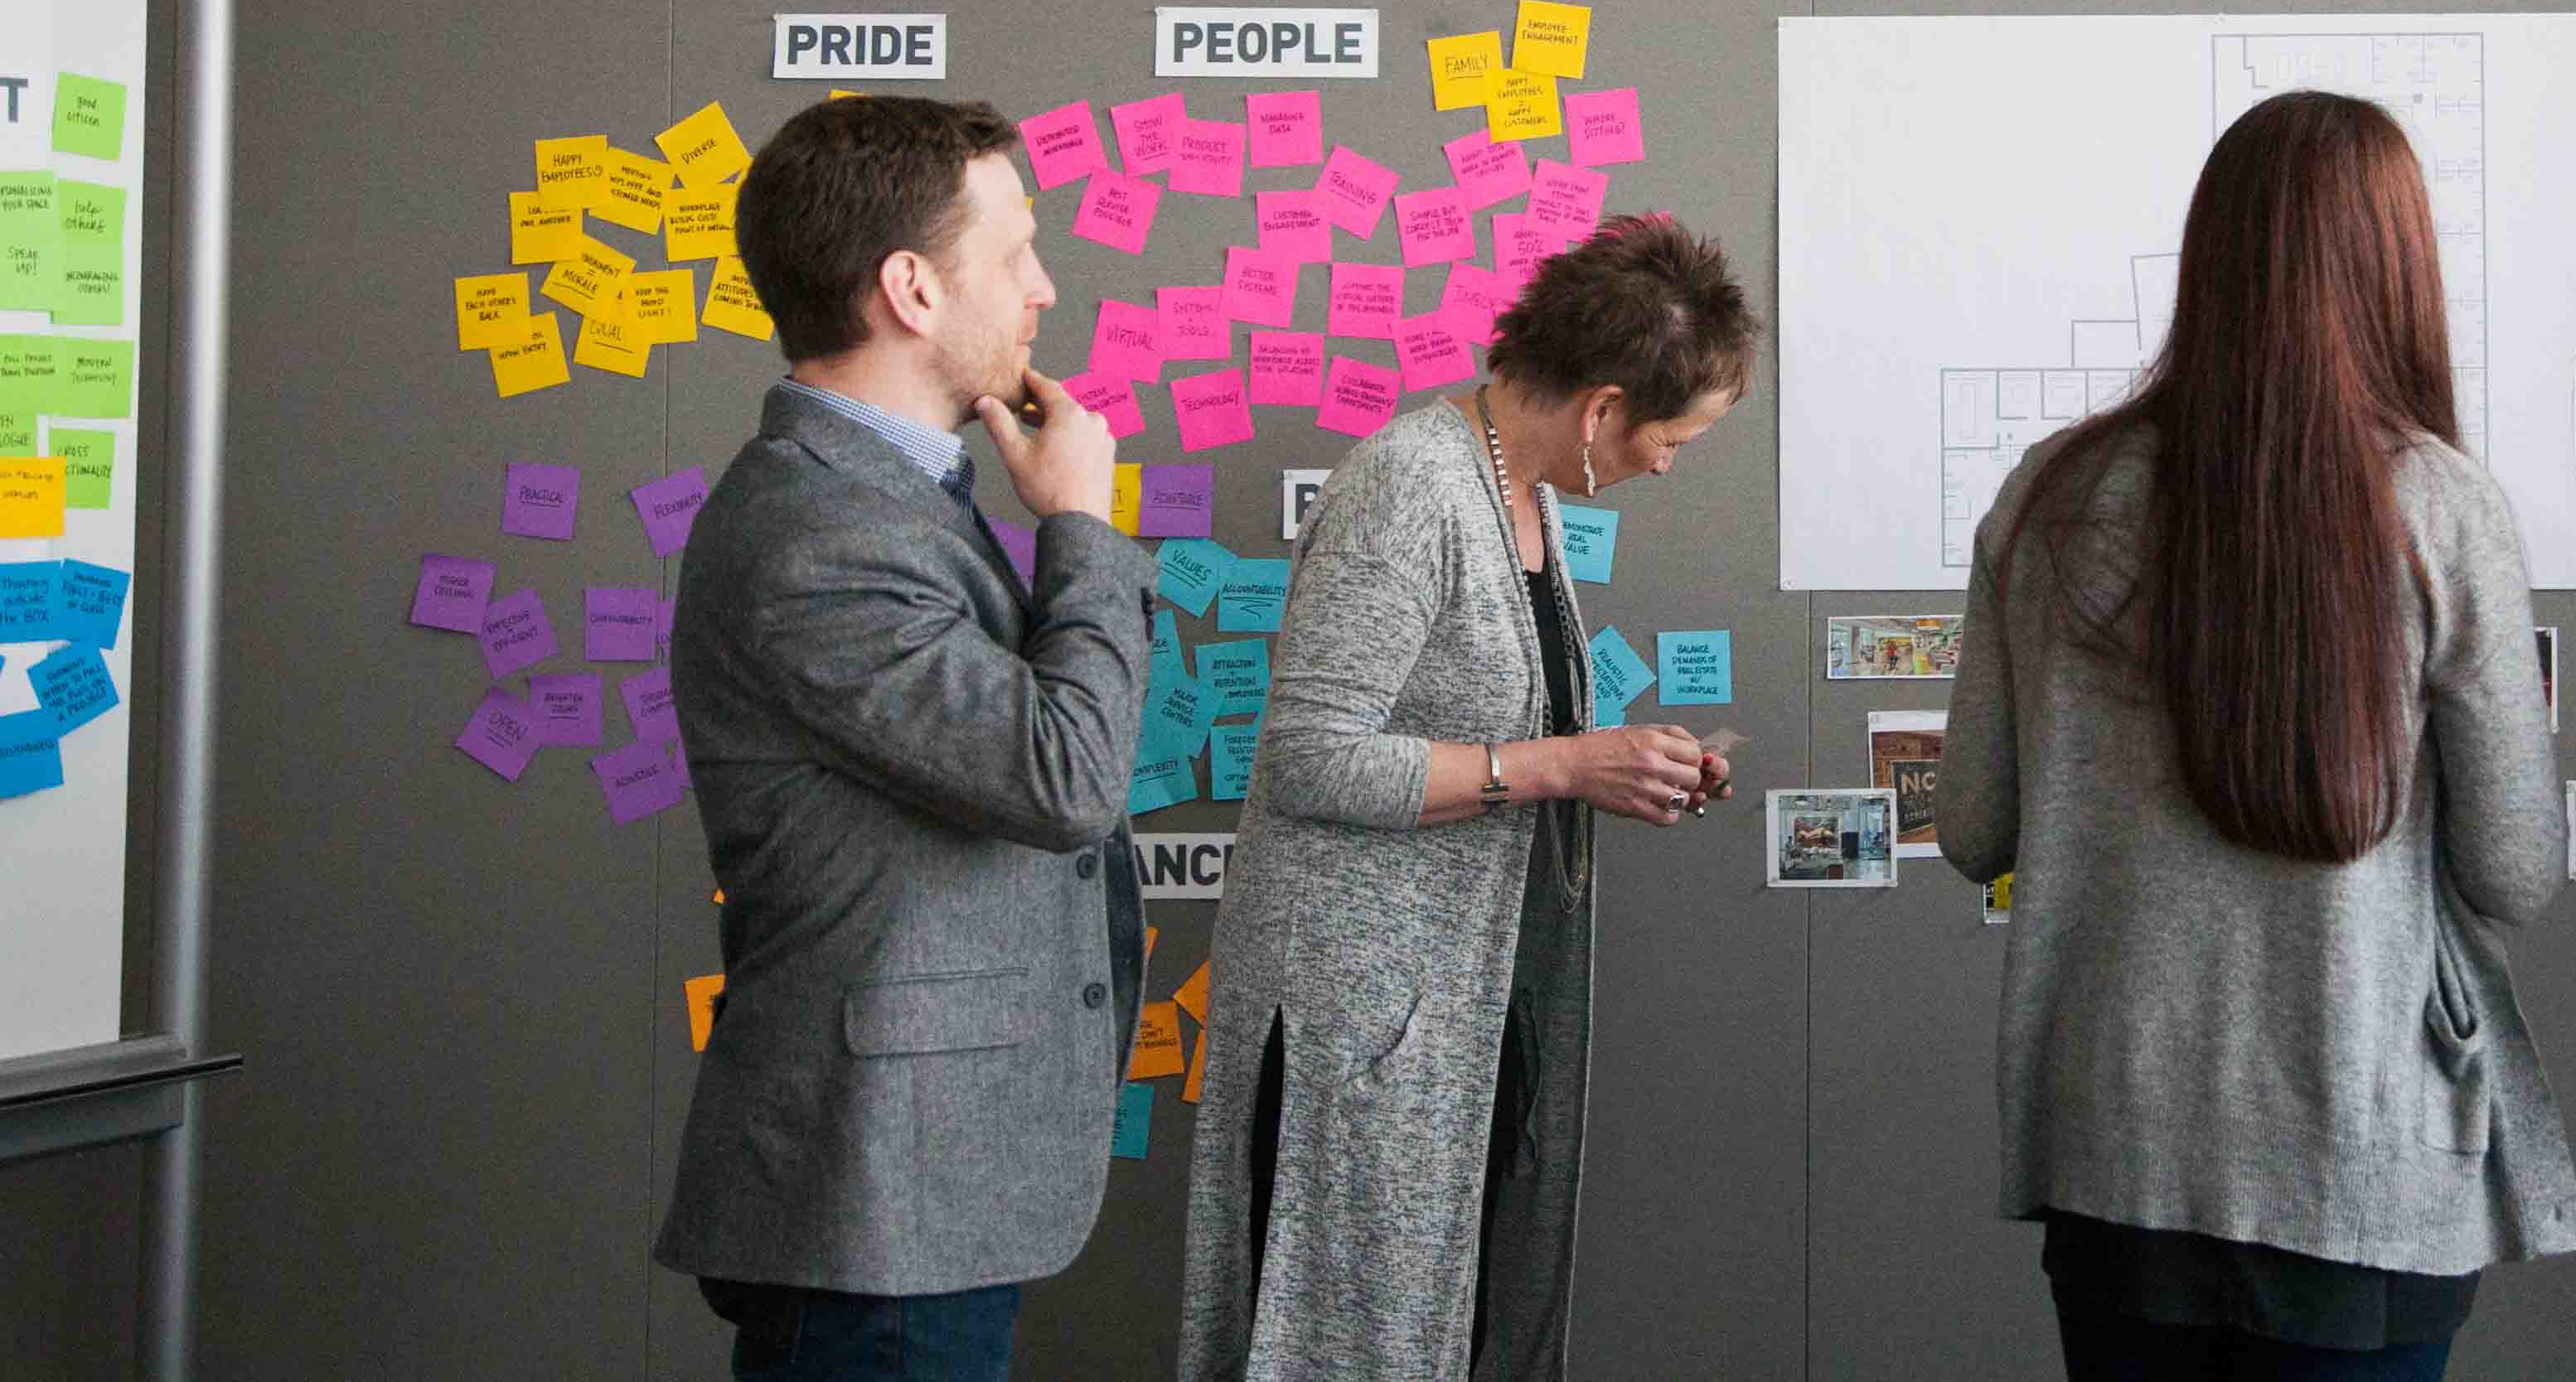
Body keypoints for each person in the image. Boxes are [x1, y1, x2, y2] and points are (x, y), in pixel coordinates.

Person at [1937, 90, 2576, 1382]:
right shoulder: (2440, 508)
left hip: (2116, 1140)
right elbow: (2515, 870)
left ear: (2208, 258)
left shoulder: (2051, 496)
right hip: (2363, 1147)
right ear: (2396, 269)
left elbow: (1971, 826)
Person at [1178, 215, 1759, 1382]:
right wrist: (1558, 765)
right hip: (1364, 1026)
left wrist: (1628, 764)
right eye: (1672, 436)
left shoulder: (1524, 496)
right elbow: (1307, 757)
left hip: (1464, 1007)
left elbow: (1513, 736)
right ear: (1601, 409)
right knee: (1347, 1345)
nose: (1668, 463)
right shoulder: (1410, 486)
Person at [654, 97, 1160, 1381]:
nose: (1043, 289)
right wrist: (1084, 532)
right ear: (913, 290)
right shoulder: (817, 531)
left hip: (918, 1194)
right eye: (1015, 255)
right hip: (874, 1204)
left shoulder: (894, 499)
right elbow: (1063, 777)